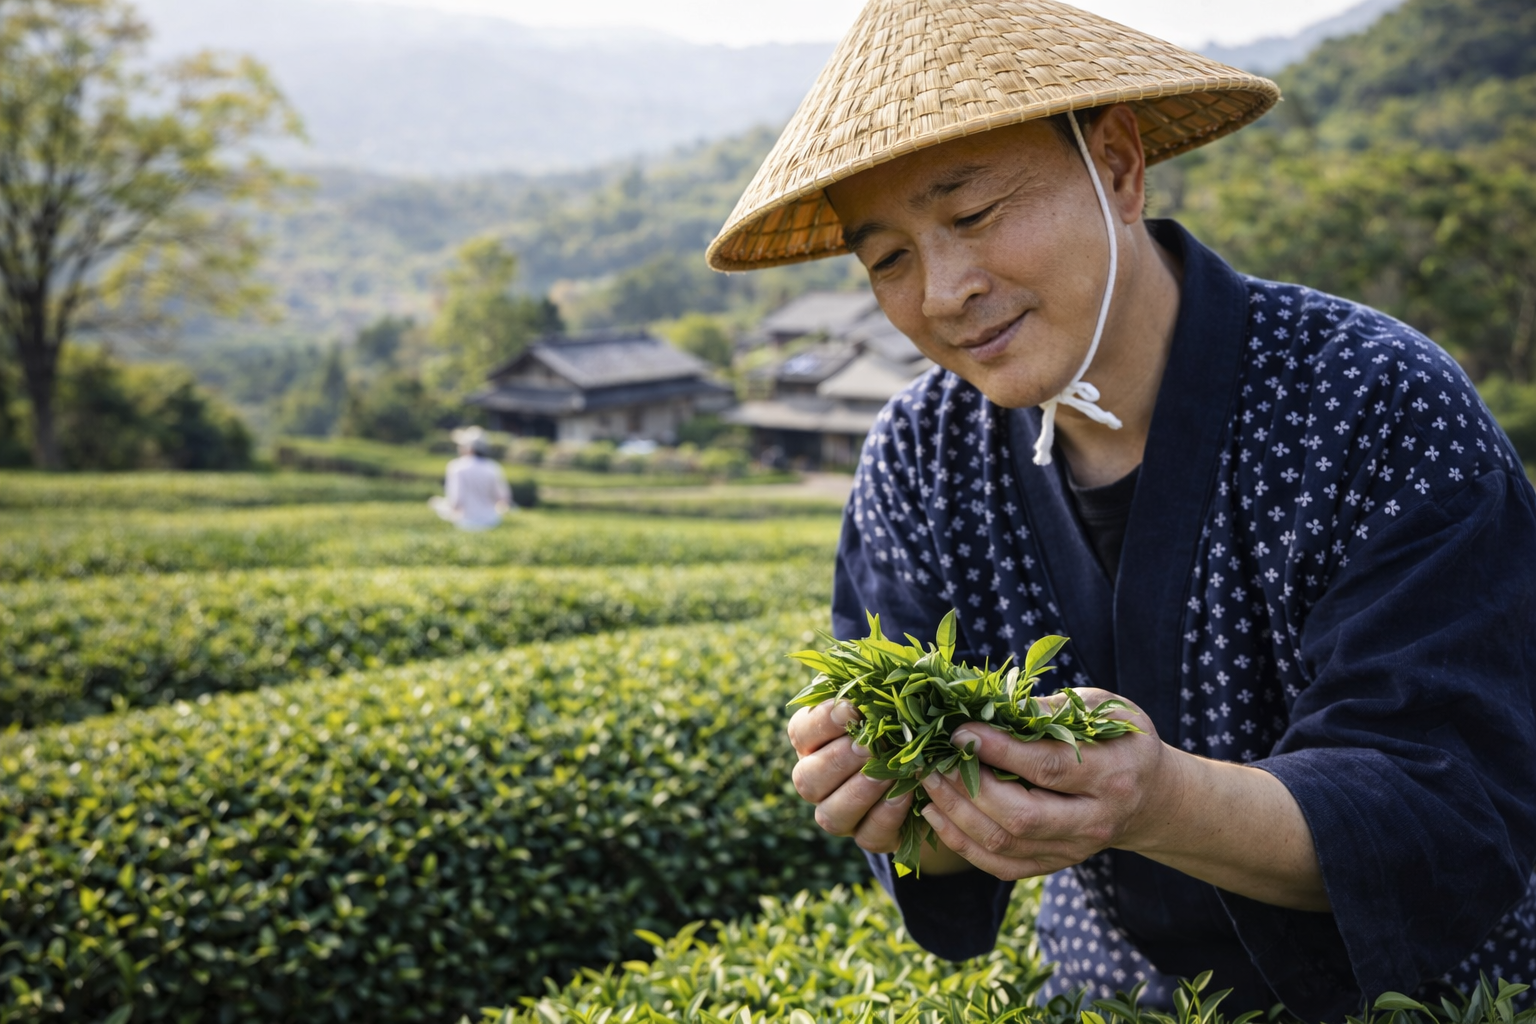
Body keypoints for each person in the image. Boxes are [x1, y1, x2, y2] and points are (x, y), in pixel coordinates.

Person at [704, 1, 1536, 1019]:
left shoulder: (1372, 398)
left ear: (1119, 167)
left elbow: (1448, 798)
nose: (945, 289)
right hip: (1108, 999)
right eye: (889, 258)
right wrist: (896, 802)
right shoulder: (920, 458)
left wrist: (1159, 799)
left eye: (972, 215)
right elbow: (938, 852)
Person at [429, 426, 513, 530]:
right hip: (492, 521)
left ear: (468, 448)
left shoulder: (456, 466)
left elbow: (455, 503)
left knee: (434, 502)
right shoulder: (493, 467)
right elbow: (504, 499)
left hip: (465, 522)